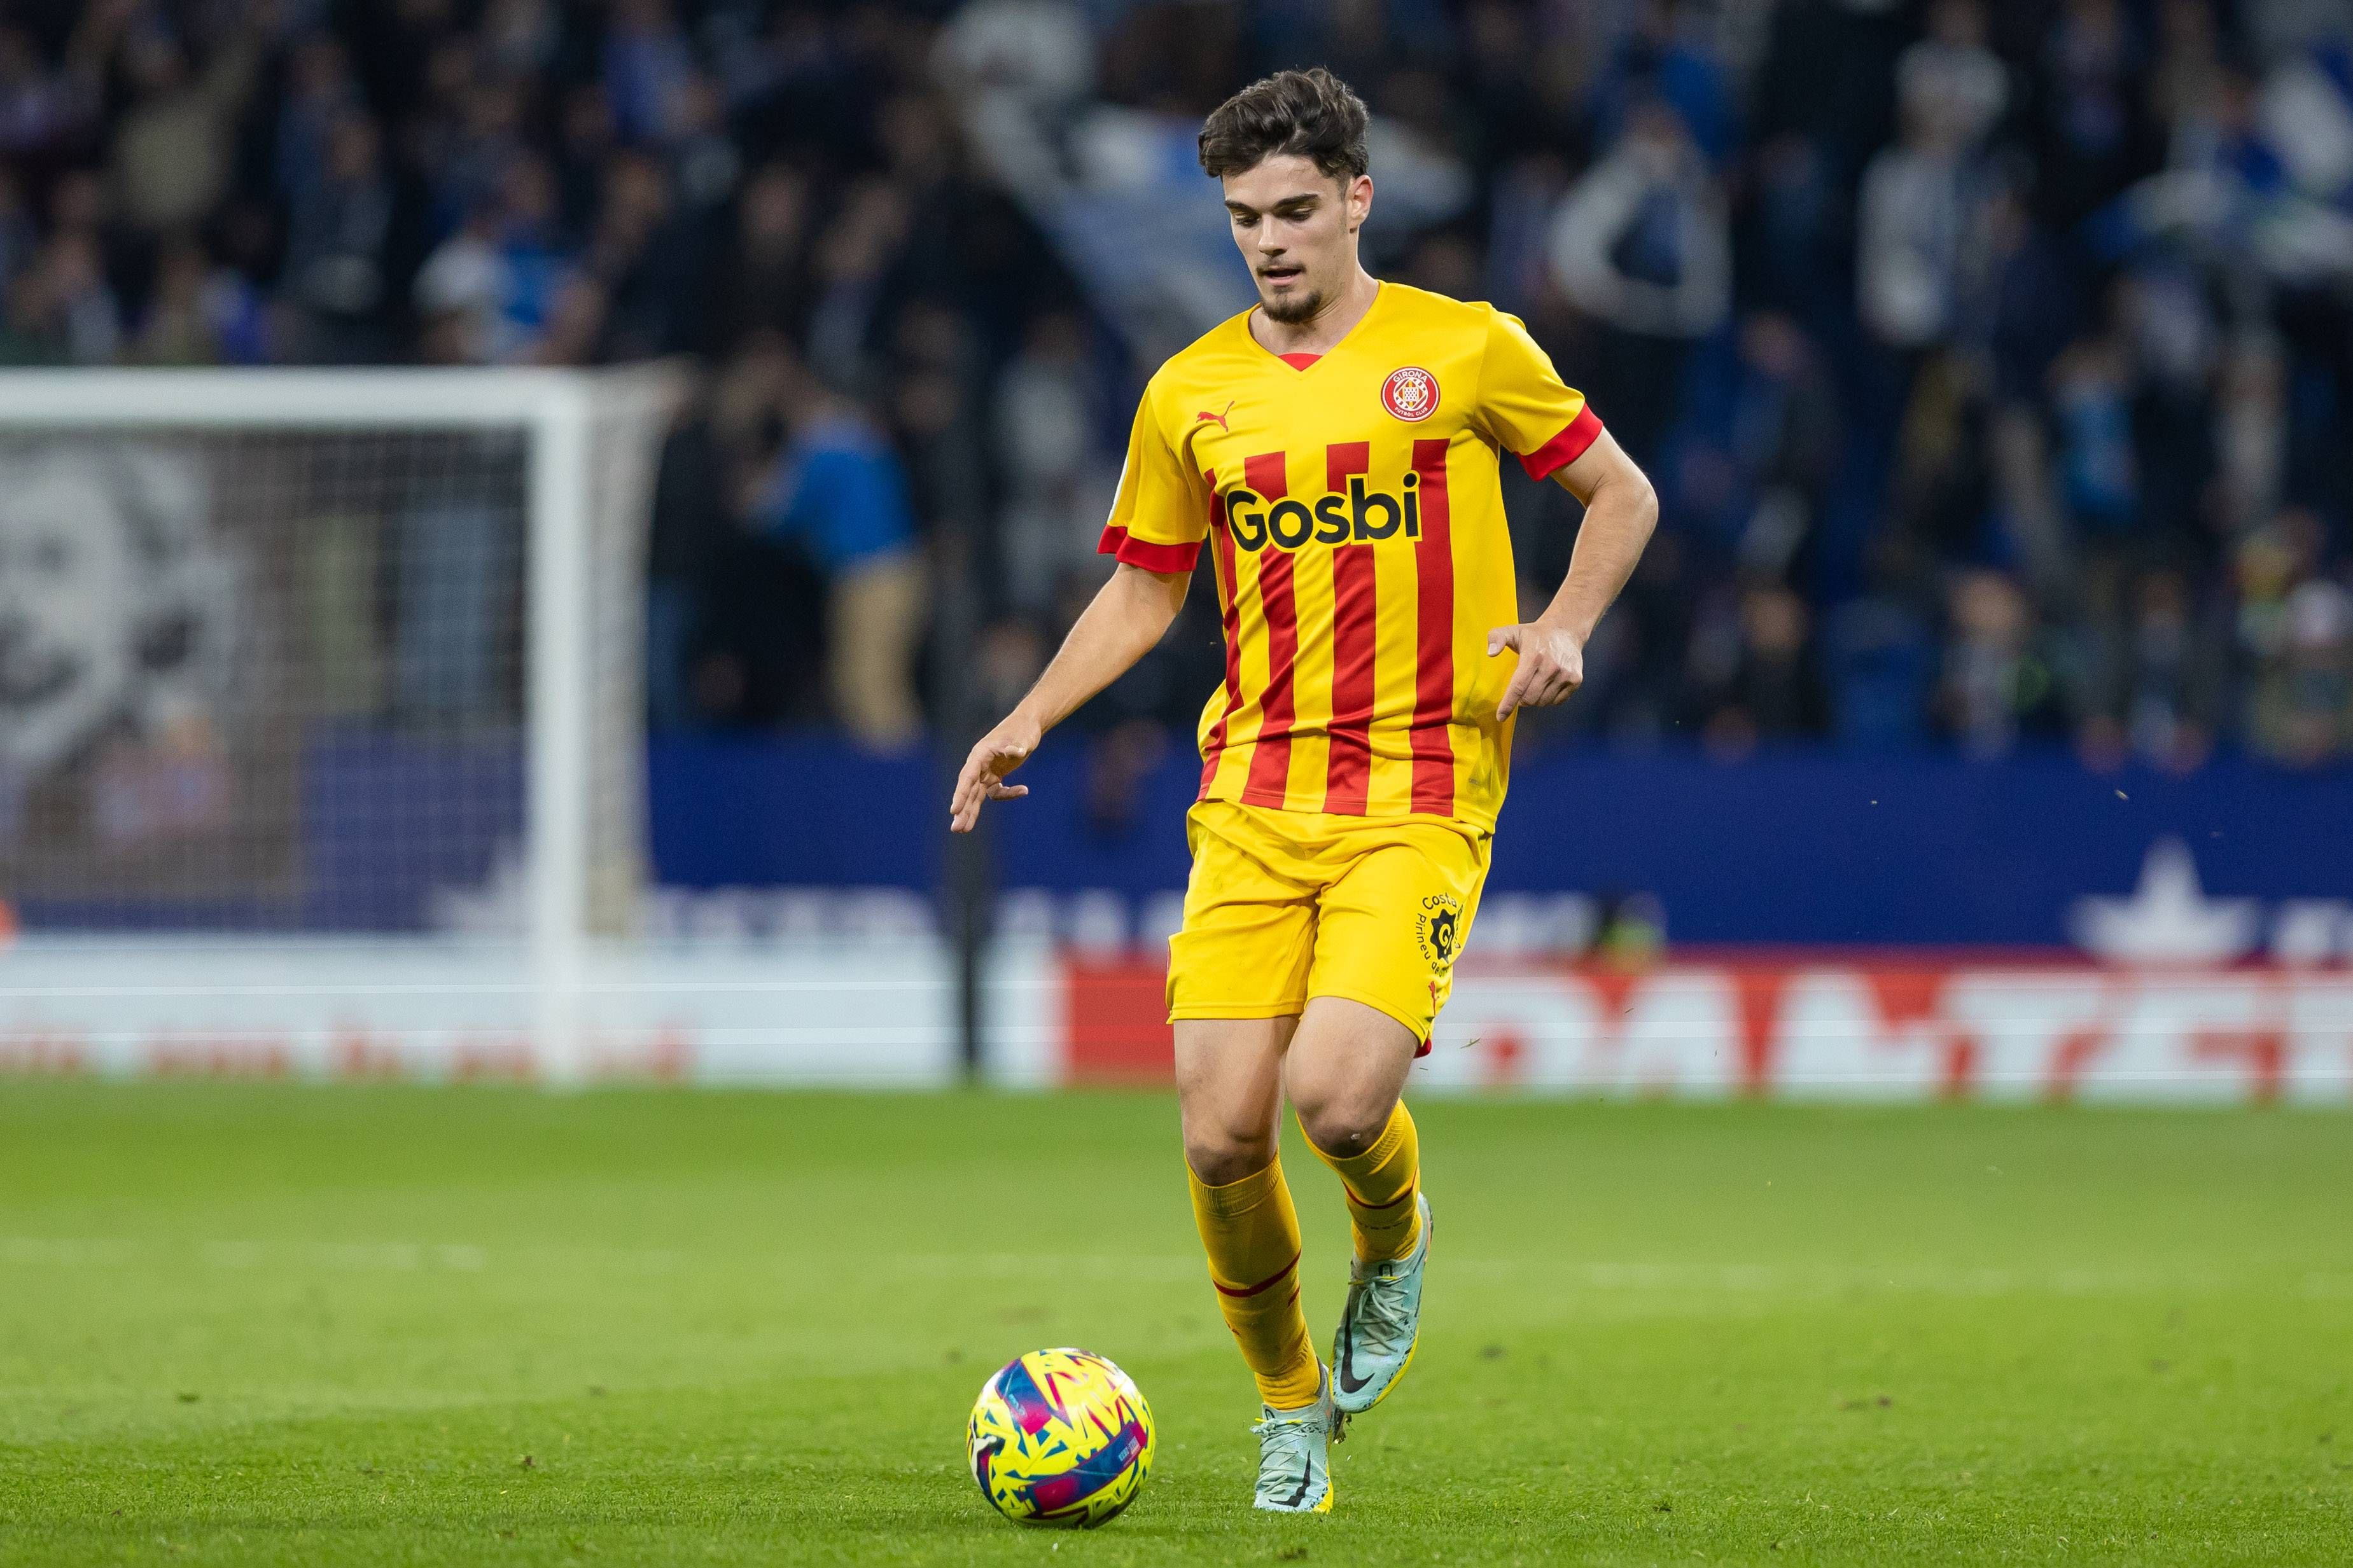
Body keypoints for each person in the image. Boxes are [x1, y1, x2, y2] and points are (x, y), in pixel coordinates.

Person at [947, 69, 1658, 1514]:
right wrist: (1028, 714)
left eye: (1290, 212)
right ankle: (1289, 1413)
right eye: (1240, 219)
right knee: (1219, 1132)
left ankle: (1393, 1240)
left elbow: (1621, 495)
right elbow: (1145, 592)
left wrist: (1566, 623)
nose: (1266, 241)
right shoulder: (1188, 390)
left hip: (1418, 783)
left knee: (1334, 1106)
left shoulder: (1464, 351)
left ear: (1355, 202)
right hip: (1254, 793)